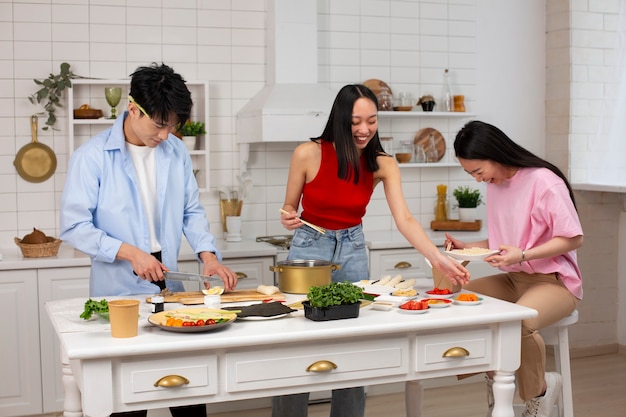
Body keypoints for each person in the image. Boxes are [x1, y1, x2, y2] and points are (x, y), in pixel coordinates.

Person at [274, 84, 470, 417]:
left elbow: (405, 219)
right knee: (297, 341)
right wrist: (289, 217)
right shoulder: (307, 153)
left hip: (352, 248)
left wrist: (437, 257)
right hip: (310, 245)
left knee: (352, 344)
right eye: (355, 122)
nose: (364, 130)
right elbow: (289, 208)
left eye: (372, 121)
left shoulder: (382, 163)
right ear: (340, 119)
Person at [60, 63, 238, 417]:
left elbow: (191, 211)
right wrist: (130, 254)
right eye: (159, 124)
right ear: (132, 109)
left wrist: (209, 256)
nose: (166, 134)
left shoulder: (176, 153)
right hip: (119, 291)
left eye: (173, 125)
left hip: (171, 288)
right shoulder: (91, 158)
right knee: (129, 398)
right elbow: (74, 226)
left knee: (188, 390)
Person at [446, 120, 583, 417]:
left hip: (554, 282)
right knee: (459, 302)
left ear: (495, 154)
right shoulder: (498, 185)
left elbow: (573, 237)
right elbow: (502, 242)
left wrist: (523, 254)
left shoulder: (545, 182)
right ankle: (500, 391)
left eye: (478, 171)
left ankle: (538, 395)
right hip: (515, 278)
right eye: (471, 174)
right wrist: (466, 248)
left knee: (518, 322)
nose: (478, 180)